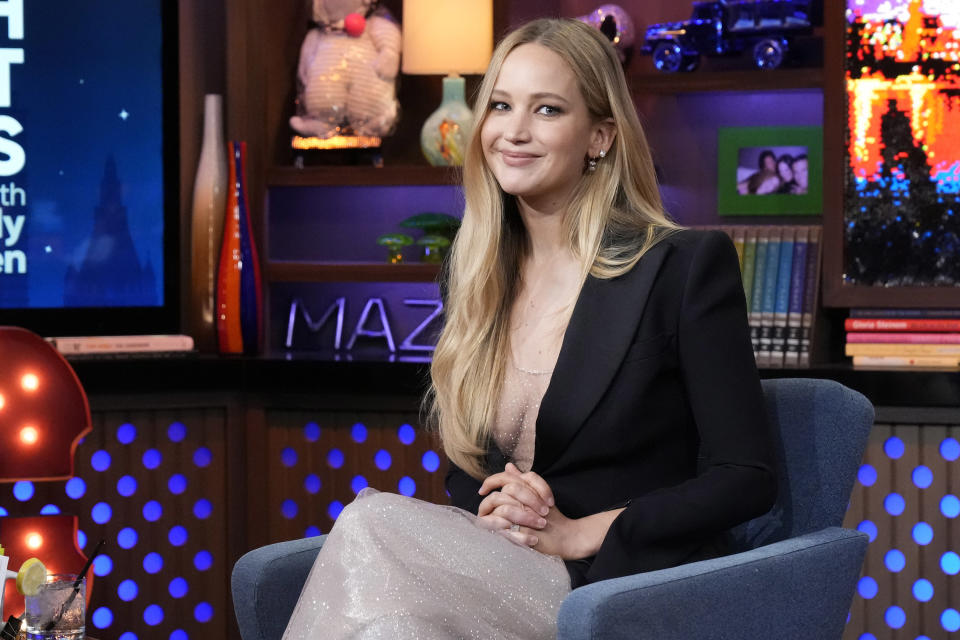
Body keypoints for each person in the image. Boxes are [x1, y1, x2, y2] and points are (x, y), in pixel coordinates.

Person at [282, 17, 776, 640]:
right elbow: (469, 469)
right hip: (504, 566)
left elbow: (745, 477)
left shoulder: (678, 267)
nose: (513, 131)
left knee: (371, 526)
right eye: (500, 106)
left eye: (546, 110)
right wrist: (496, 508)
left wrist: (575, 532)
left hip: (615, 587)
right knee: (393, 625)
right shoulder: (475, 273)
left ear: (599, 136)